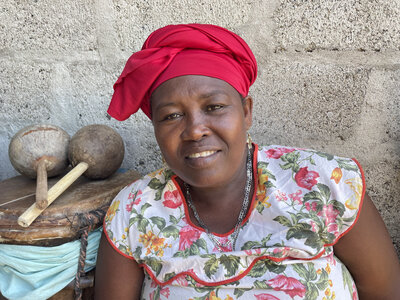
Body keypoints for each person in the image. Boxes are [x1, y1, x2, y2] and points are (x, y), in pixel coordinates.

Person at [95, 24, 400, 299]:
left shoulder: (323, 184)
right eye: (171, 116)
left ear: (246, 112)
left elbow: (384, 290)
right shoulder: (135, 211)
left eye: (214, 107)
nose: (195, 129)